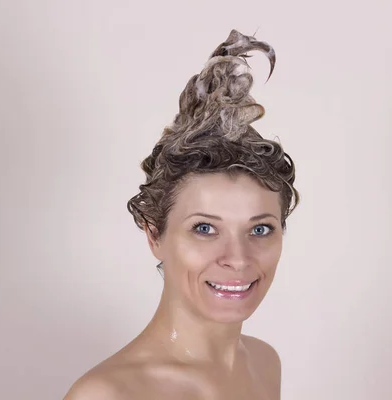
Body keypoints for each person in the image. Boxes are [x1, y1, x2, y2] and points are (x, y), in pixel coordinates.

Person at [63, 29, 300, 400]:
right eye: (205, 228)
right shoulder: (108, 395)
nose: (237, 259)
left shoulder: (265, 362)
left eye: (260, 230)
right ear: (154, 235)